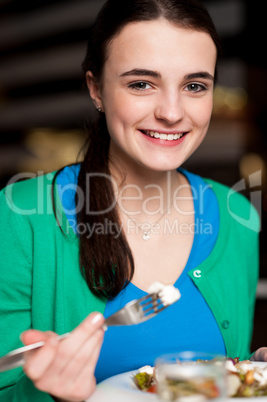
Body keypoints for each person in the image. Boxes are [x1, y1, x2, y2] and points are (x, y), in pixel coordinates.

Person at [0, 0, 264, 401]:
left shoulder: (237, 217)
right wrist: (48, 393)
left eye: (195, 86)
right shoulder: (22, 217)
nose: (172, 112)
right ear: (96, 89)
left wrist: (250, 371)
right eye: (141, 83)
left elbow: (212, 379)